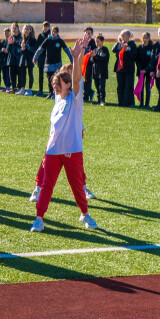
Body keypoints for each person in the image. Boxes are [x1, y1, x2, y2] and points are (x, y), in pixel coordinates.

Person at [30, 39, 96, 233]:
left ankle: (84, 214)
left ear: (67, 85)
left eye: (58, 84)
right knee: (46, 184)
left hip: (72, 150)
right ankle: (39, 218)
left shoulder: (75, 100)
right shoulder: (57, 101)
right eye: (54, 84)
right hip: (53, 151)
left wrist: (77, 57)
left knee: (76, 186)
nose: (55, 87)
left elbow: (76, 79)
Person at [33, 26, 72, 99]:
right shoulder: (47, 40)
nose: (53, 33)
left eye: (55, 32)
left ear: (57, 33)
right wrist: (35, 58)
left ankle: (56, 93)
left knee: (57, 79)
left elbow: (66, 50)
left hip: (57, 63)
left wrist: (72, 59)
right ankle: (51, 92)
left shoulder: (60, 41)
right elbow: (40, 50)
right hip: (49, 63)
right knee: (50, 79)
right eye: (52, 31)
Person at [112, 29, 137, 107]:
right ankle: (120, 102)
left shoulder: (132, 45)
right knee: (120, 86)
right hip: (120, 68)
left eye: (124, 35)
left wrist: (127, 50)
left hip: (129, 69)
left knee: (128, 86)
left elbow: (134, 56)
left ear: (129, 36)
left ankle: (128, 102)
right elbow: (113, 50)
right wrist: (118, 42)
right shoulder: (120, 44)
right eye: (121, 35)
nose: (122, 37)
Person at [89, 34, 110, 105]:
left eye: (98, 41)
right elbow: (92, 61)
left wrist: (96, 56)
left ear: (102, 41)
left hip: (102, 71)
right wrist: (92, 57)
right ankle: (98, 100)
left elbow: (104, 58)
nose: (96, 43)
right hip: (95, 71)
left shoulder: (105, 49)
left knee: (102, 87)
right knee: (97, 86)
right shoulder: (95, 50)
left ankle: (102, 100)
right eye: (95, 41)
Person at [136, 32, 155, 107]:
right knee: (141, 87)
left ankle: (147, 104)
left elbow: (152, 60)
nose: (145, 39)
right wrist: (140, 69)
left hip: (148, 71)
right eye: (143, 38)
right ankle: (141, 103)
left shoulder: (151, 48)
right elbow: (137, 60)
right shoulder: (139, 47)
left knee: (147, 87)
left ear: (149, 38)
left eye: (146, 38)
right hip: (141, 71)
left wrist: (146, 69)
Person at [17, 25, 37, 95]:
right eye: (25, 29)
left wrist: (27, 47)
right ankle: (22, 89)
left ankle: (29, 90)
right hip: (23, 58)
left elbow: (34, 49)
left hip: (29, 59)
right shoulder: (21, 39)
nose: (26, 30)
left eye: (27, 29)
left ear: (30, 30)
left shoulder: (33, 39)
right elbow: (18, 50)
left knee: (30, 74)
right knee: (22, 74)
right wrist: (21, 49)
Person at [35, 21, 51, 96]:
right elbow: (37, 47)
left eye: (47, 26)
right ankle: (40, 90)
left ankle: (51, 91)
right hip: (41, 57)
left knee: (50, 75)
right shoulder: (40, 36)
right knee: (40, 75)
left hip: (49, 58)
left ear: (49, 27)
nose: (45, 28)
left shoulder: (51, 35)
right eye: (44, 26)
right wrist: (37, 57)